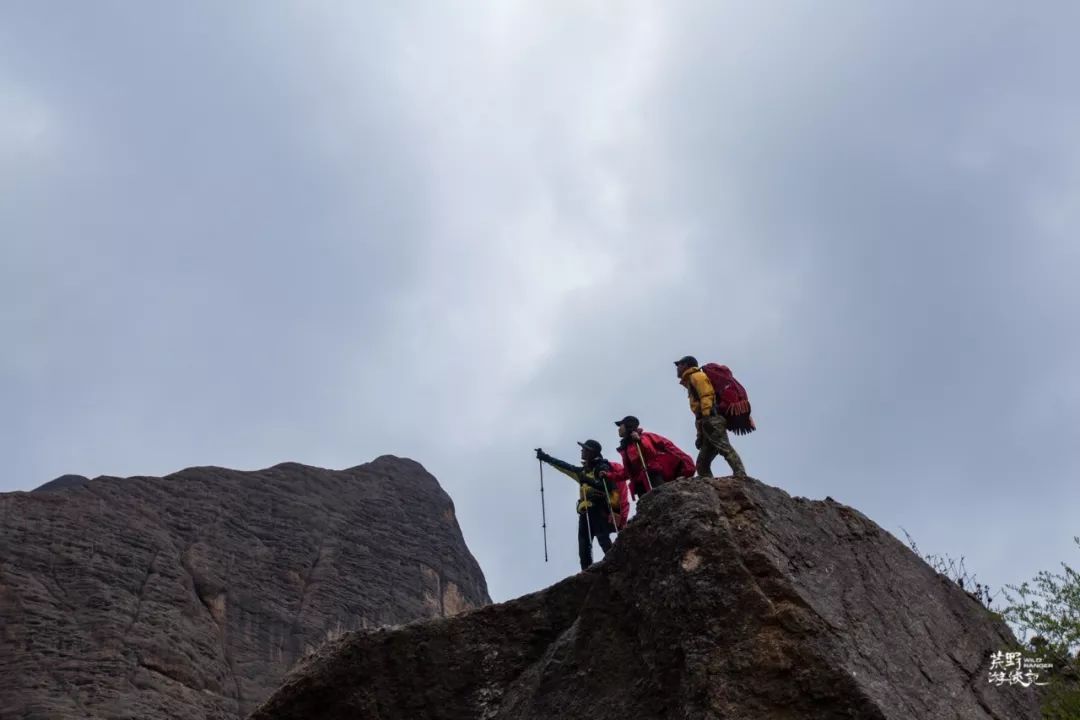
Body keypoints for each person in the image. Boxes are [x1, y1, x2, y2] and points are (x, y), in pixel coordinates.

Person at [535, 440, 629, 570]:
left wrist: (615, 513)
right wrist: (546, 458)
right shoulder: (583, 471)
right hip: (585, 512)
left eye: (584, 449)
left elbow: (609, 488)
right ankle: (587, 571)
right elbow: (564, 466)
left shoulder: (602, 467)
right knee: (584, 545)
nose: (582, 451)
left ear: (591, 452)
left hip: (599, 508)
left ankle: (616, 565)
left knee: (602, 539)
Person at [674, 355, 748, 478]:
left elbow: (706, 395)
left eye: (679, 365)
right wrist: (700, 434)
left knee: (724, 447)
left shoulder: (697, 376)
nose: (677, 368)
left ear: (686, 365)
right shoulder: (691, 379)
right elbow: (698, 413)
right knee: (702, 463)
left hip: (712, 419)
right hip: (706, 421)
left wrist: (707, 415)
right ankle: (709, 484)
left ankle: (740, 474)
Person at [614, 415, 695, 499]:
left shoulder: (644, 437)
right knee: (647, 505)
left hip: (653, 475)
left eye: (621, 425)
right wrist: (609, 476)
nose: (619, 428)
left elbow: (650, 452)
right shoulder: (626, 447)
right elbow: (628, 472)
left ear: (628, 426)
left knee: (662, 497)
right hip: (640, 483)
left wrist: (639, 441)